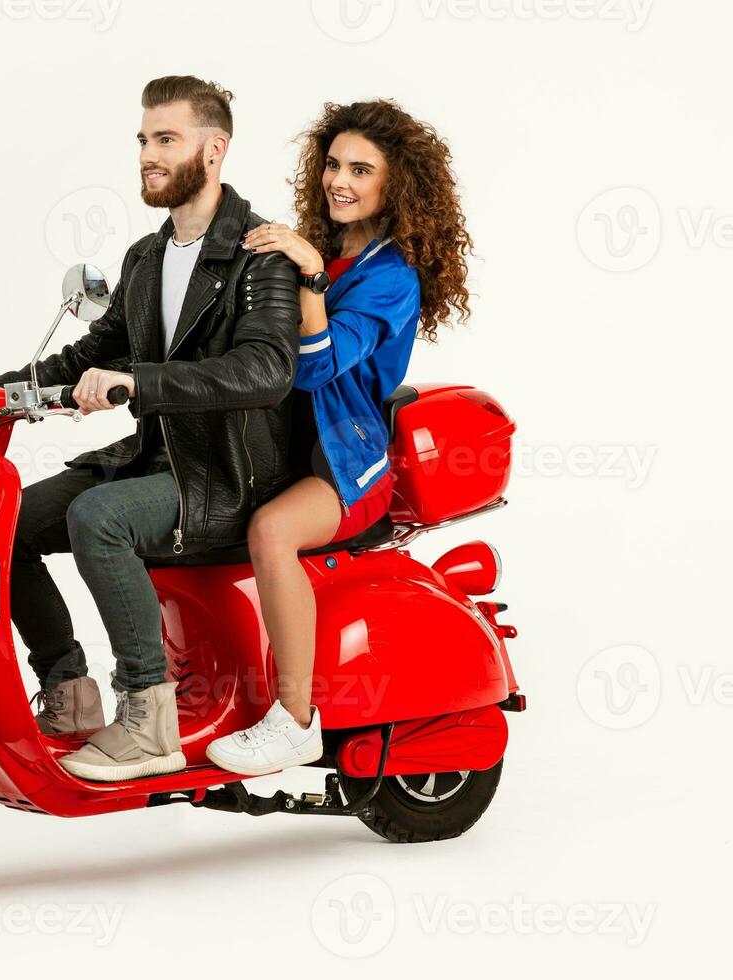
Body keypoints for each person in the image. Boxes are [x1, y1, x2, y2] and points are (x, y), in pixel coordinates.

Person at [0, 75, 301, 782]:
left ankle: (147, 722)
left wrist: (140, 382)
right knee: (0, 525)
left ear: (213, 149)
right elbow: (91, 352)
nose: (148, 155)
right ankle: (68, 692)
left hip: (224, 477)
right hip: (152, 460)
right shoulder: (146, 257)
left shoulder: (261, 255)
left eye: (166, 139)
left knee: (99, 517)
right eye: (143, 140)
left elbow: (265, 370)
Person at [206, 99, 475, 776]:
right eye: (332, 163)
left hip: (345, 463)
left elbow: (318, 364)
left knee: (270, 532)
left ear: (396, 185)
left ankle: (293, 719)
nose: (339, 181)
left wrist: (308, 276)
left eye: (361, 168)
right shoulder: (318, 247)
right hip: (278, 446)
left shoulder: (389, 279)